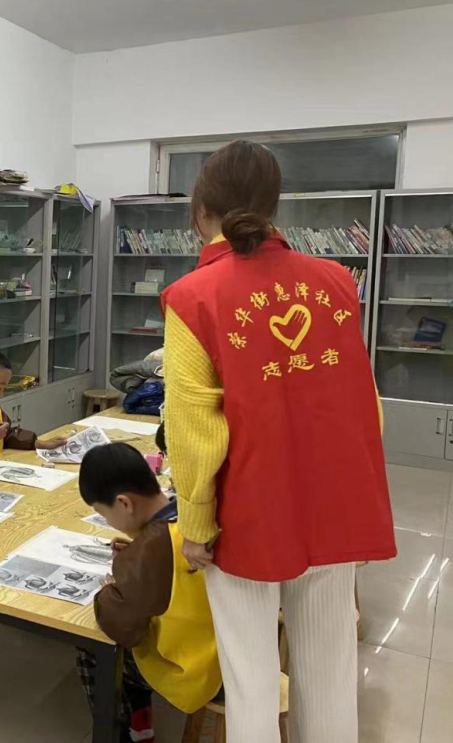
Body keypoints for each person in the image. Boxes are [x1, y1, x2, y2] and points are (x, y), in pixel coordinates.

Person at [161, 140, 395, 742]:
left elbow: (194, 429)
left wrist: (196, 521)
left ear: (201, 211)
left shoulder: (193, 297)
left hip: (248, 514)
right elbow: (365, 406)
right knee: (330, 671)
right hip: (334, 503)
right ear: (274, 206)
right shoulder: (336, 281)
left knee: (251, 683)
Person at [76, 442, 222, 741]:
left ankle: (125, 734)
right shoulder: (189, 517)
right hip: (227, 650)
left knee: (93, 649)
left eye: (104, 514)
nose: (108, 522)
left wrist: (110, 588)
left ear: (124, 503)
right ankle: (140, 723)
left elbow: (121, 626)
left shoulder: (146, 553)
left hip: (193, 672)